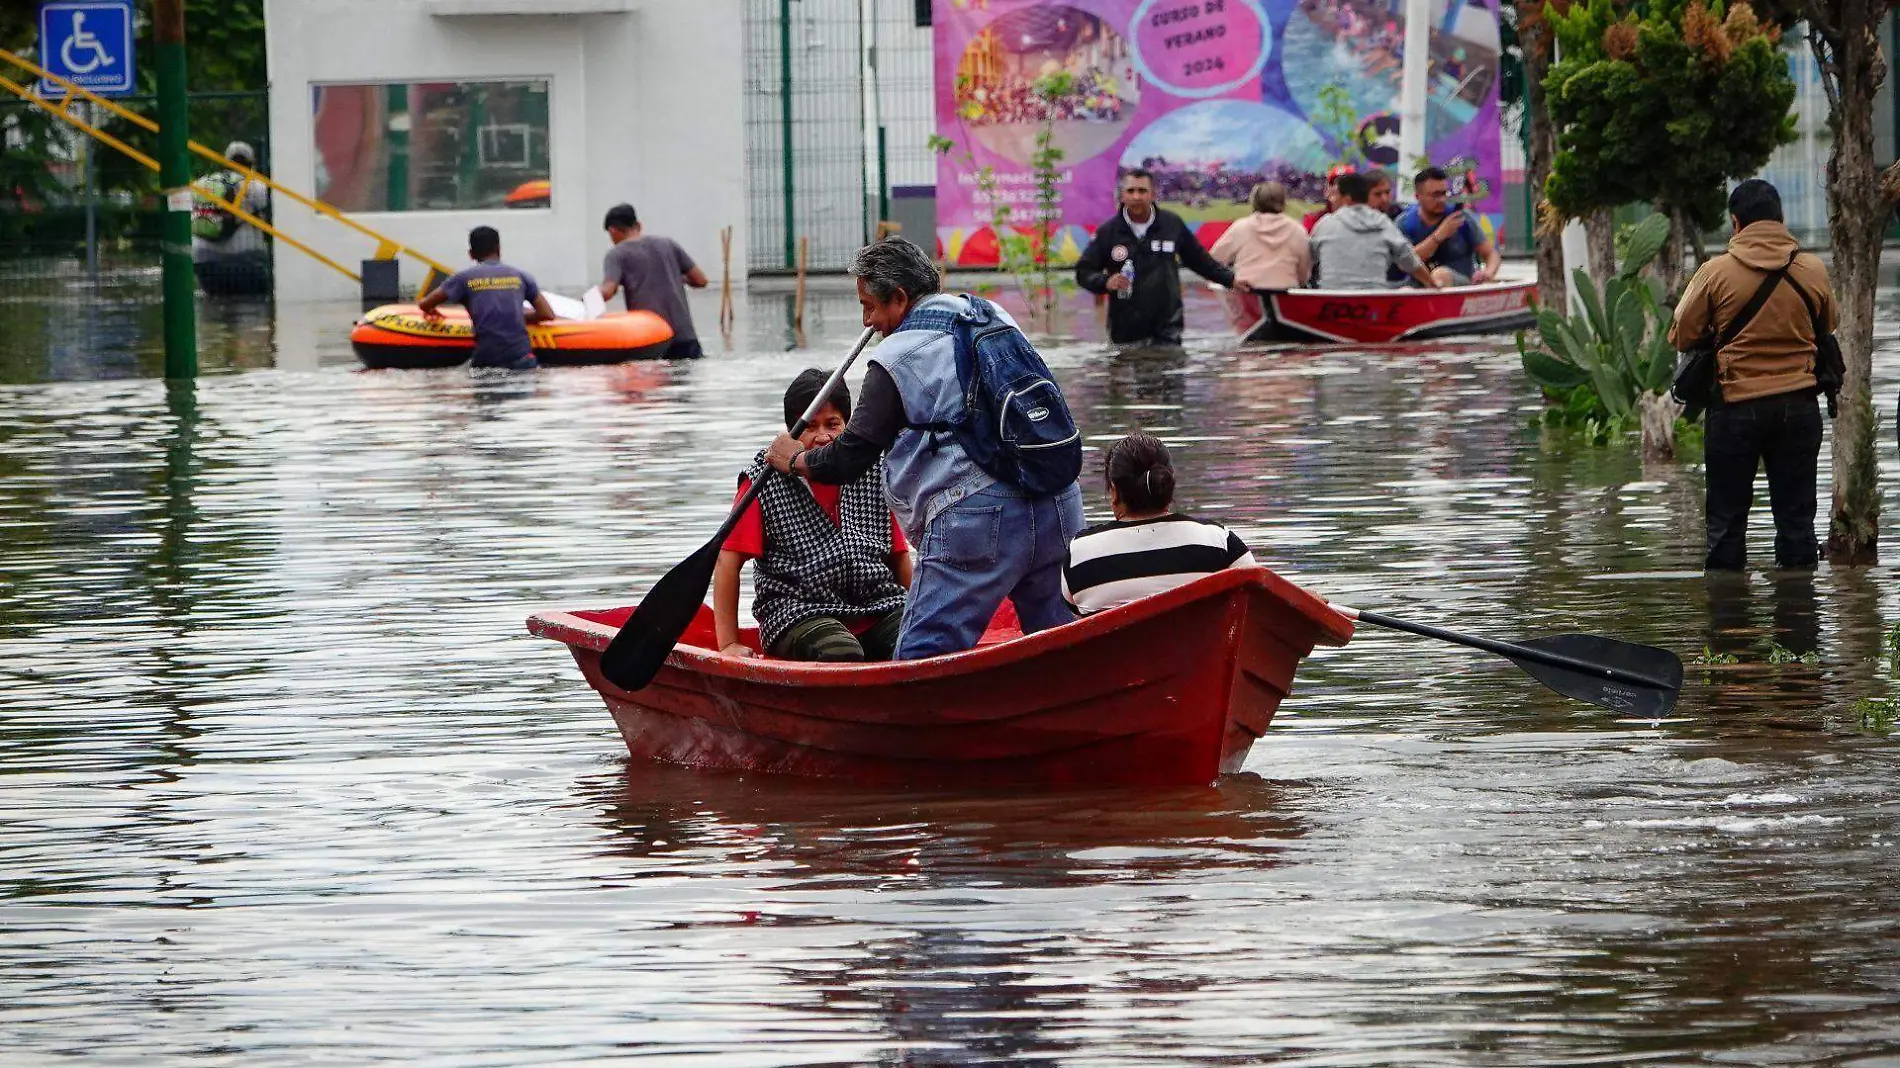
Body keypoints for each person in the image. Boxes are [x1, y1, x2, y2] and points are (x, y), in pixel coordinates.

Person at [764, 237, 1085, 659]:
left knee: (920, 656)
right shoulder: (992, 315)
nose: (868, 322)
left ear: (899, 298)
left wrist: (797, 460)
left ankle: (914, 724)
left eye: (869, 306)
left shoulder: (895, 357)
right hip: (1059, 504)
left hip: (977, 522)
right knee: (1058, 644)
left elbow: (850, 457)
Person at [1668, 178, 1837, 572]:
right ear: (1781, 219)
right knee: (1797, 527)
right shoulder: (1812, 269)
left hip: (1734, 408)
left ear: (1735, 222)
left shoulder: (1715, 273)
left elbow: (1681, 334)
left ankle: (1729, 624)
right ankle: (1800, 621)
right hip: (1799, 408)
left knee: (1726, 527)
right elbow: (1828, 323)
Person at [713, 369, 911, 661]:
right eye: (809, 427)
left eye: (833, 424)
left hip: (877, 605)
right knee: (840, 652)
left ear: (848, 425)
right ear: (790, 433)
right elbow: (728, 562)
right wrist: (728, 644)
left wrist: (920, 609)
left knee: (923, 638)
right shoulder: (762, 480)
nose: (822, 437)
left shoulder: (871, 469)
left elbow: (898, 556)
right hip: (798, 612)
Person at [1062, 433, 1258, 615]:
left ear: (1113, 491)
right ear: (1168, 485)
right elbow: (1256, 599)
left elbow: (1076, 616)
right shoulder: (1220, 542)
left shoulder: (1080, 553)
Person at [1074, 168, 1246, 347]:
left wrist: (1231, 280)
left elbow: (1199, 261)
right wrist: (1105, 282)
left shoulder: (1171, 224)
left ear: (1153, 194)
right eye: (1131, 191)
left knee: (1170, 369)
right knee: (1124, 369)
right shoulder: (1108, 231)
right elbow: (1083, 271)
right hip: (1126, 328)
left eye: (1142, 191)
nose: (1136, 197)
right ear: (1122, 195)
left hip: (1167, 326)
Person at [417, 226, 556, 370]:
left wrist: (431, 310)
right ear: (499, 249)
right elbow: (547, 314)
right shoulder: (521, 276)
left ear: (471, 254)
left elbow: (425, 304)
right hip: (523, 358)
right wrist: (515, 314)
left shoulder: (462, 278)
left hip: (488, 360)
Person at [596, 203, 709, 358]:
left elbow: (608, 290)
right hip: (686, 337)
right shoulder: (668, 243)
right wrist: (677, 277)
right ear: (639, 225)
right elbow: (701, 280)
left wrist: (584, 301)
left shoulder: (616, 254)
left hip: (652, 339)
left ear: (612, 231)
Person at [1309, 172, 1436, 290]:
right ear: (1366, 195)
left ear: (1345, 198)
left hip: (1329, 303)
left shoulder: (1324, 224)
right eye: (1378, 194)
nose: (1385, 199)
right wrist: (1432, 284)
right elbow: (1410, 261)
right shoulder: (1383, 223)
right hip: (1373, 301)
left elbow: (1307, 261)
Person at [1395, 166, 1502, 286]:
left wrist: (1488, 273)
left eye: (1444, 193)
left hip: (1460, 284)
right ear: (1418, 197)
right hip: (1418, 288)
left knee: (1441, 275)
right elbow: (1404, 262)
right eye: (1435, 195)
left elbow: (1491, 254)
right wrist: (1438, 236)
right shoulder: (1404, 223)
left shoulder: (1461, 218)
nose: (1442, 199)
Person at [191, 140, 272, 296]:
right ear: (251, 163)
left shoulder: (202, 183)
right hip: (244, 259)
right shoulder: (256, 186)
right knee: (251, 306)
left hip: (204, 260)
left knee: (215, 305)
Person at [1209, 181, 1311, 292]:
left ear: (1254, 201)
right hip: (1285, 295)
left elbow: (1214, 260)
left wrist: (1232, 277)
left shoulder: (1241, 227)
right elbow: (1303, 275)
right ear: (1283, 202)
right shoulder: (1297, 230)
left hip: (1248, 294)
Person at [1303, 164, 1357, 233]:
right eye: (1334, 183)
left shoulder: (1356, 228)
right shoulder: (1312, 220)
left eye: (1345, 185)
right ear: (1326, 190)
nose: (1337, 188)